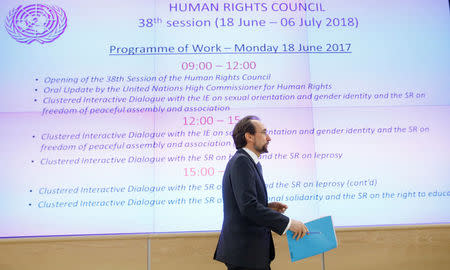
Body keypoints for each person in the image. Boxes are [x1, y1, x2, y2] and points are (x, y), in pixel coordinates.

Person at [214, 115, 308, 270]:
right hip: (245, 253)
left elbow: (245, 204)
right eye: (264, 132)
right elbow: (248, 207)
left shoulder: (250, 162)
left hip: (251, 253)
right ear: (249, 136)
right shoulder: (242, 162)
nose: (269, 138)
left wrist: (266, 207)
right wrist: (289, 224)